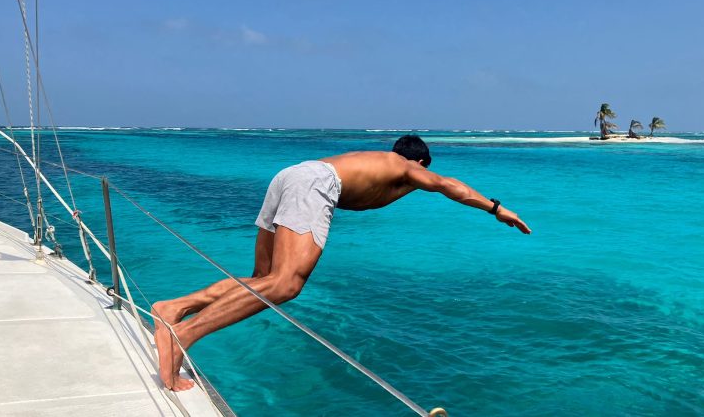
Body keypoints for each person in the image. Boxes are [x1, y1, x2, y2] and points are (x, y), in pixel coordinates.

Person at [153, 134, 531, 390]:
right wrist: (497, 209)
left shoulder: (370, 161)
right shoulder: (405, 166)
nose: (420, 178)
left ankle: (174, 307)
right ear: (418, 160)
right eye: (422, 168)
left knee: (263, 279)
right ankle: (183, 334)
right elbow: (450, 184)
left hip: (291, 175)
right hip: (315, 183)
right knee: (286, 284)